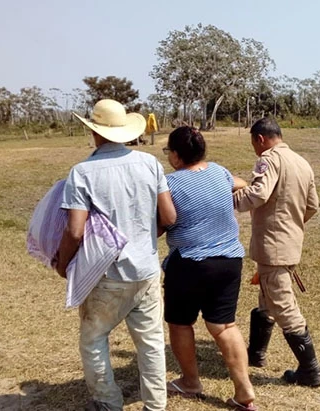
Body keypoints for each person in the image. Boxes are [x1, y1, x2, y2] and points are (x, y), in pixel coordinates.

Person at [55, 99, 177, 411]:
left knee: (94, 339)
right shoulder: (149, 163)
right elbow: (169, 216)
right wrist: (148, 237)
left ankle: (108, 402)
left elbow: (75, 231)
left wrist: (62, 262)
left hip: (105, 275)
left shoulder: (82, 172)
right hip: (147, 270)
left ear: (94, 132)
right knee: (150, 345)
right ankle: (156, 405)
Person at [161, 126, 258, 411]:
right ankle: (244, 390)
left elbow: (164, 219)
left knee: (180, 323)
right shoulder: (219, 172)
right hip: (229, 260)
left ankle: (191, 382)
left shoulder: (170, 184)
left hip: (190, 263)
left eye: (169, 152)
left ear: (177, 156)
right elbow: (240, 183)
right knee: (224, 325)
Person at [233, 117, 320, 387]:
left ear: (260, 139)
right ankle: (257, 354)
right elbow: (313, 205)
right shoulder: (301, 162)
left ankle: (310, 371)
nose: (255, 149)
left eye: (253, 144)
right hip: (288, 244)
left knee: (284, 307)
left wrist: (227, 197)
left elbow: (258, 194)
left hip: (273, 247)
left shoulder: (269, 160)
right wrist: (291, 226)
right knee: (268, 298)